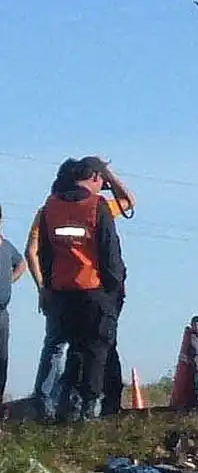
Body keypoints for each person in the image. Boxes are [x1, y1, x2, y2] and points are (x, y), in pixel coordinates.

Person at [25, 157, 134, 421]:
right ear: (96, 177)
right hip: (94, 290)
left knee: (68, 350)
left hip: (61, 292)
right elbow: (111, 248)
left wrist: (45, 288)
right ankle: (89, 412)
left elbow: (39, 252)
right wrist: (114, 288)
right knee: (96, 351)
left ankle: (63, 410)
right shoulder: (97, 206)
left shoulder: (48, 208)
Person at [0, 204, 28, 405]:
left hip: (1, 312)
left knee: (2, 359)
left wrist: (10, 279)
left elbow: (22, 264)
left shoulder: (6, 246)